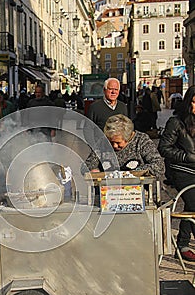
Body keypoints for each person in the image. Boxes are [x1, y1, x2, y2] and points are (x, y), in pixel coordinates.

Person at [158, 85, 195, 262]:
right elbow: (164, 148)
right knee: (194, 202)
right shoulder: (176, 122)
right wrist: (186, 156)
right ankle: (183, 245)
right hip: (181, 170)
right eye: (194, 102)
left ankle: (183, 244)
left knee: (192, 205)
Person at [82, 114, 165, 179]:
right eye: (111, 142)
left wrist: (131, 173)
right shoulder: (103, 142)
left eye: (118, 142)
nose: (114, 146)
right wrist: (93, 171)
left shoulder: (141, 141)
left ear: (128, 137)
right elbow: (85, 167)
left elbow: (159, 165)